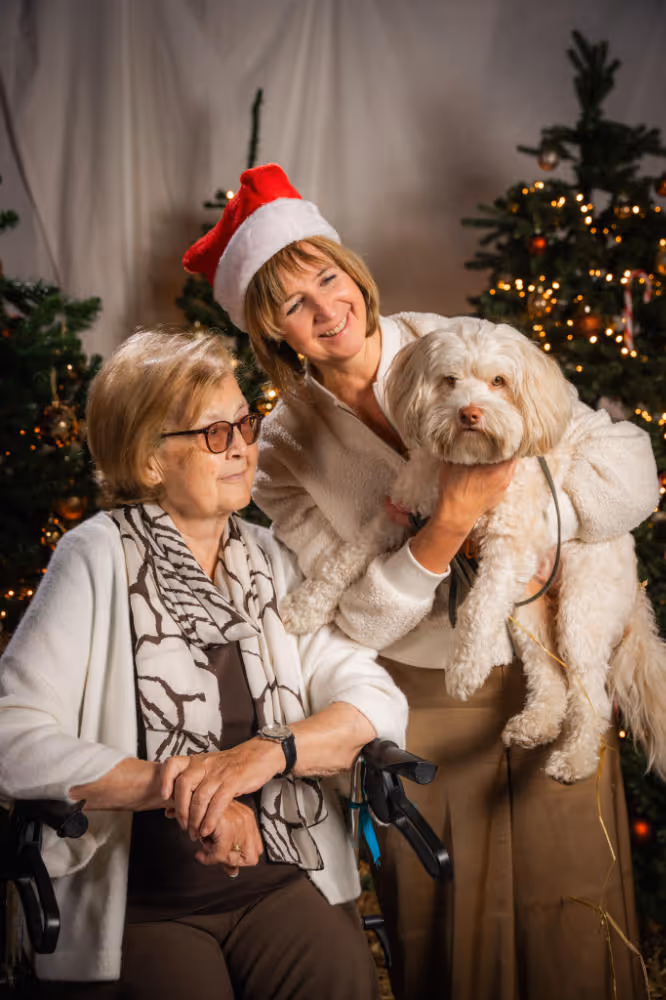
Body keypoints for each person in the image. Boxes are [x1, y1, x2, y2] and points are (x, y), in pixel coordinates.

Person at [182, 163, 658, 1000]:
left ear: (352, 271)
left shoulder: (459, 341)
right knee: (454, 924)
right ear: (274, 331)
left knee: (573, 908)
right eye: (295, 303)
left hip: (544, 653)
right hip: (425, 696)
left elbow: (625, 463)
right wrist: (443, 528)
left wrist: (549, 528)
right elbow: (357, 622)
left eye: (328, 277)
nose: (327, 309)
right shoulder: (284, 453)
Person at [0, 326, 409, 1000]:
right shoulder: (96, 556)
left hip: (278, 871)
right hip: (147, 902)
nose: (244, 446)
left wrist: (264, 755)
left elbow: (373, 696)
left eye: (246, 423)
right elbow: (13, 734)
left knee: (342, 979)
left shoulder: (268, 557)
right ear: (149, 459)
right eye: (215, 434)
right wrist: (179, 785)